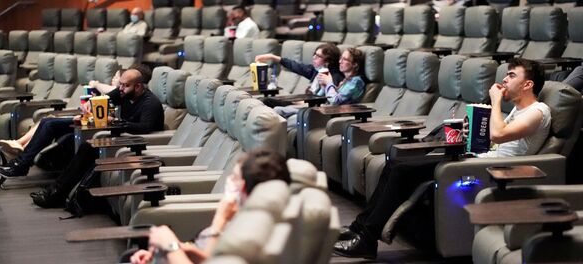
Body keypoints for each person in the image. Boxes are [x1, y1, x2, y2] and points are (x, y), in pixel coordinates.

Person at [333, 58, 551, 259]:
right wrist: (470, 132)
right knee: (396, 163)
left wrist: (495, 102)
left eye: (512, 75)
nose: (504, 79)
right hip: (478, 159)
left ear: (527, 85)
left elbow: (499, 134)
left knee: (402, 170)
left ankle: (367, 240)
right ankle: (359, 228)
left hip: (490, 170)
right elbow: (496, 141)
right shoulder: (517, 111)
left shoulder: (538, 110)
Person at [129, 148, 291, 264]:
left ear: (241, 187)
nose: (229, 181)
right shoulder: (254, 219)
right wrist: (170, 253)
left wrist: (170, 246)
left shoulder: (252, 233)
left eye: (234, 177)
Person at [0, 65, 163, 178]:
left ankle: (22, 165)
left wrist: (115, 122)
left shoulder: (151, 103)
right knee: (48, 123)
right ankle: (22, 164)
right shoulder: (123, 92)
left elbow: (144, 127)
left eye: (125, 86)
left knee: (62, 133)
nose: (120, 89)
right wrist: (90, 105)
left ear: (138, 87)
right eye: (120, 85)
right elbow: (104, 98)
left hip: (121, 136)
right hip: (107, 127)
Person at [0, 69, 124, 156]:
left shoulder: (119, 92)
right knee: (47, 118)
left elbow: (113, 90)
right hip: (83, 116)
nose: (113, 78)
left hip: (90, 123)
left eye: (116, 76)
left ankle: (21, 145)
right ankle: (21, 144)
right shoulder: (111, 92)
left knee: (49, 121)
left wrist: (96, 83)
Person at [270, 47, 366, 118]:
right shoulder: (346, 80)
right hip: (322, 109)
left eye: (345, 59)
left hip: (332, 115)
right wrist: (324, 85)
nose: (340, 61)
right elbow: (322, 97)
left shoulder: (356, 82)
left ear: (355, 64)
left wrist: (329, 83)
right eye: (341, 58)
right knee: (277, 110)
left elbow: (335, 102)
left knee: (279, 112)